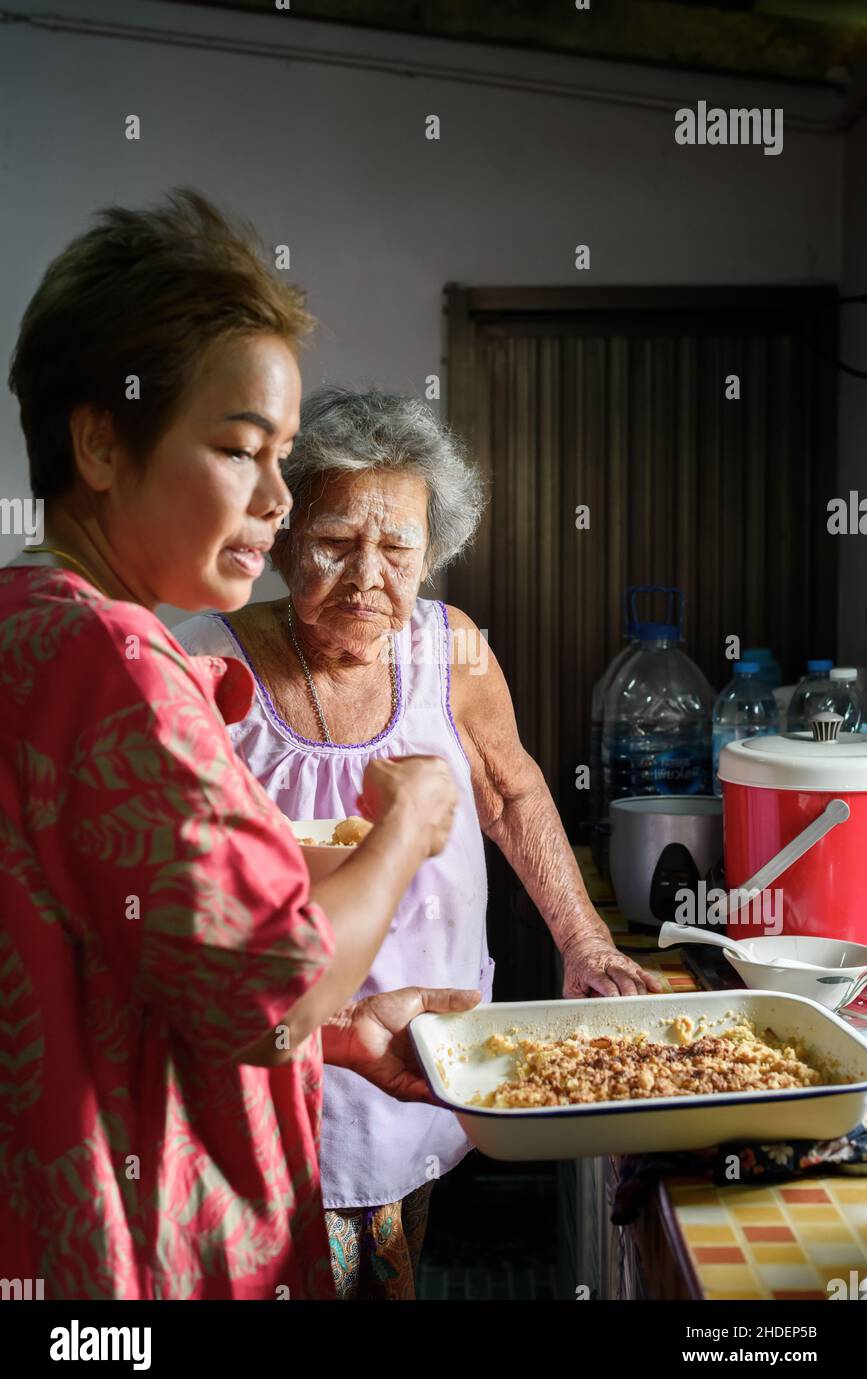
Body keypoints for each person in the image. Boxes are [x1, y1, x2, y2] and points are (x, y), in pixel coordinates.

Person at [0, 189, 478, 1300]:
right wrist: (406, 822)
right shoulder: (115, 663)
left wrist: (351, 1035)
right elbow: (272, 997)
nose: (276, 502)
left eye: (284, 459)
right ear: (100, 441)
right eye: (238, 449)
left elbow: (155, 952)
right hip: (143, 1245)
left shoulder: (33, 625)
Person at [175, 385, 662, 1299]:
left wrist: (583, 939)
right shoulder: (205, 666)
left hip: (415, 1045)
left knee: (390, 1255)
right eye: (335, 543)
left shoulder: (452, 648)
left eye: (399, 549)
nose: (370, 577)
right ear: (280, 537)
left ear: (432, 553)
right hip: (268, 1057)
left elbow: (511, 794)